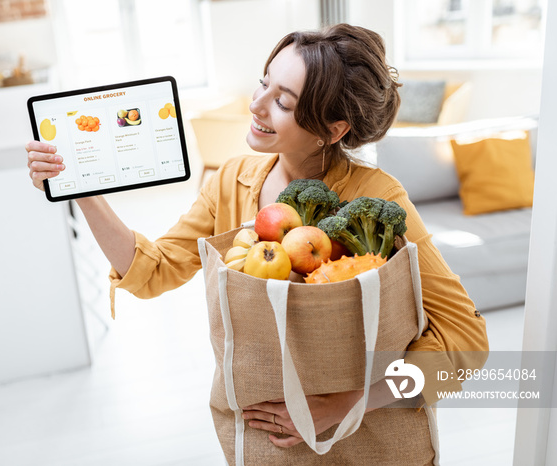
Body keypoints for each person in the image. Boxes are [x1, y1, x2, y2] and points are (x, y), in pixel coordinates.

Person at [26, 23, 488, 454]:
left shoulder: (376, 198)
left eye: (283, 103)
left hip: (366, 439)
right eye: (263, 83)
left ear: (333, 129)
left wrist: (344, 403)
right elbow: (153, 271)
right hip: (262, 439)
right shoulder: (230, 182)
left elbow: (466, 338)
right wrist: (80, 189)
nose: (257, 104)